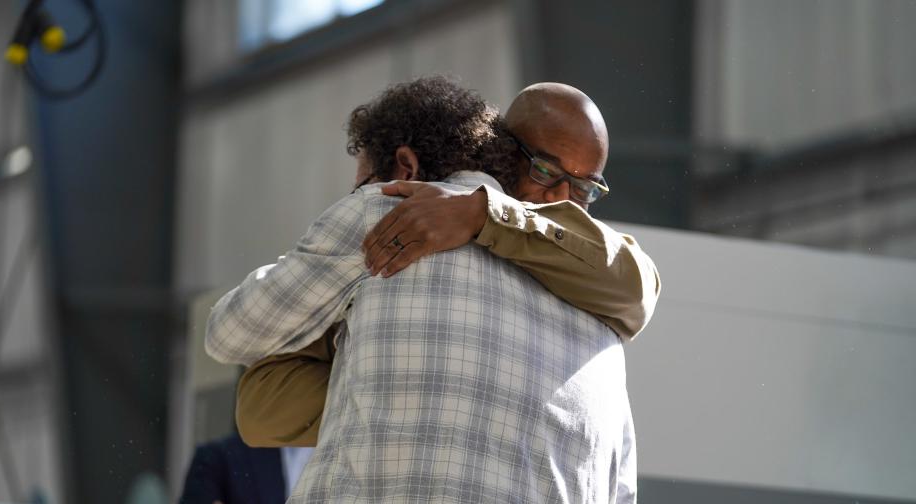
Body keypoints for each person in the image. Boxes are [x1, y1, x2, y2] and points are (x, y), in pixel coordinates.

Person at [206, 76, 646, 502]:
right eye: (546, 171)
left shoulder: (389, 209)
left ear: (404, 168)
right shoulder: (600, 319)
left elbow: (228, 337)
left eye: (585, 189)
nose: (562, 202)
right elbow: (622, 486)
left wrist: (480, 212)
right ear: (507, 153)